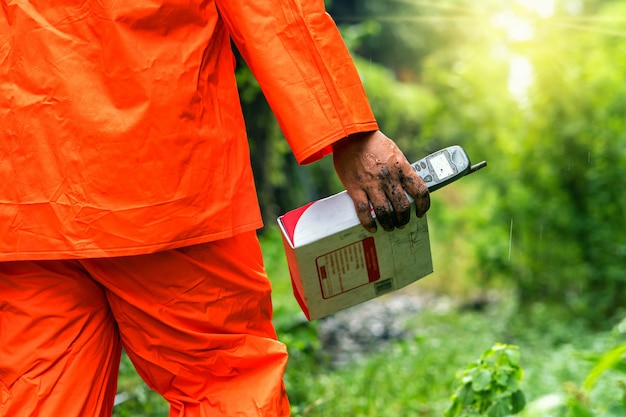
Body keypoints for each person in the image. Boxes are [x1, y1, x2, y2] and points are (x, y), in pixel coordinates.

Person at [0, 1, 430, 416]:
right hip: (162, 186)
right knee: (223, 383)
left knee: (39, 394)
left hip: (23, 196)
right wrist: (348, 134)